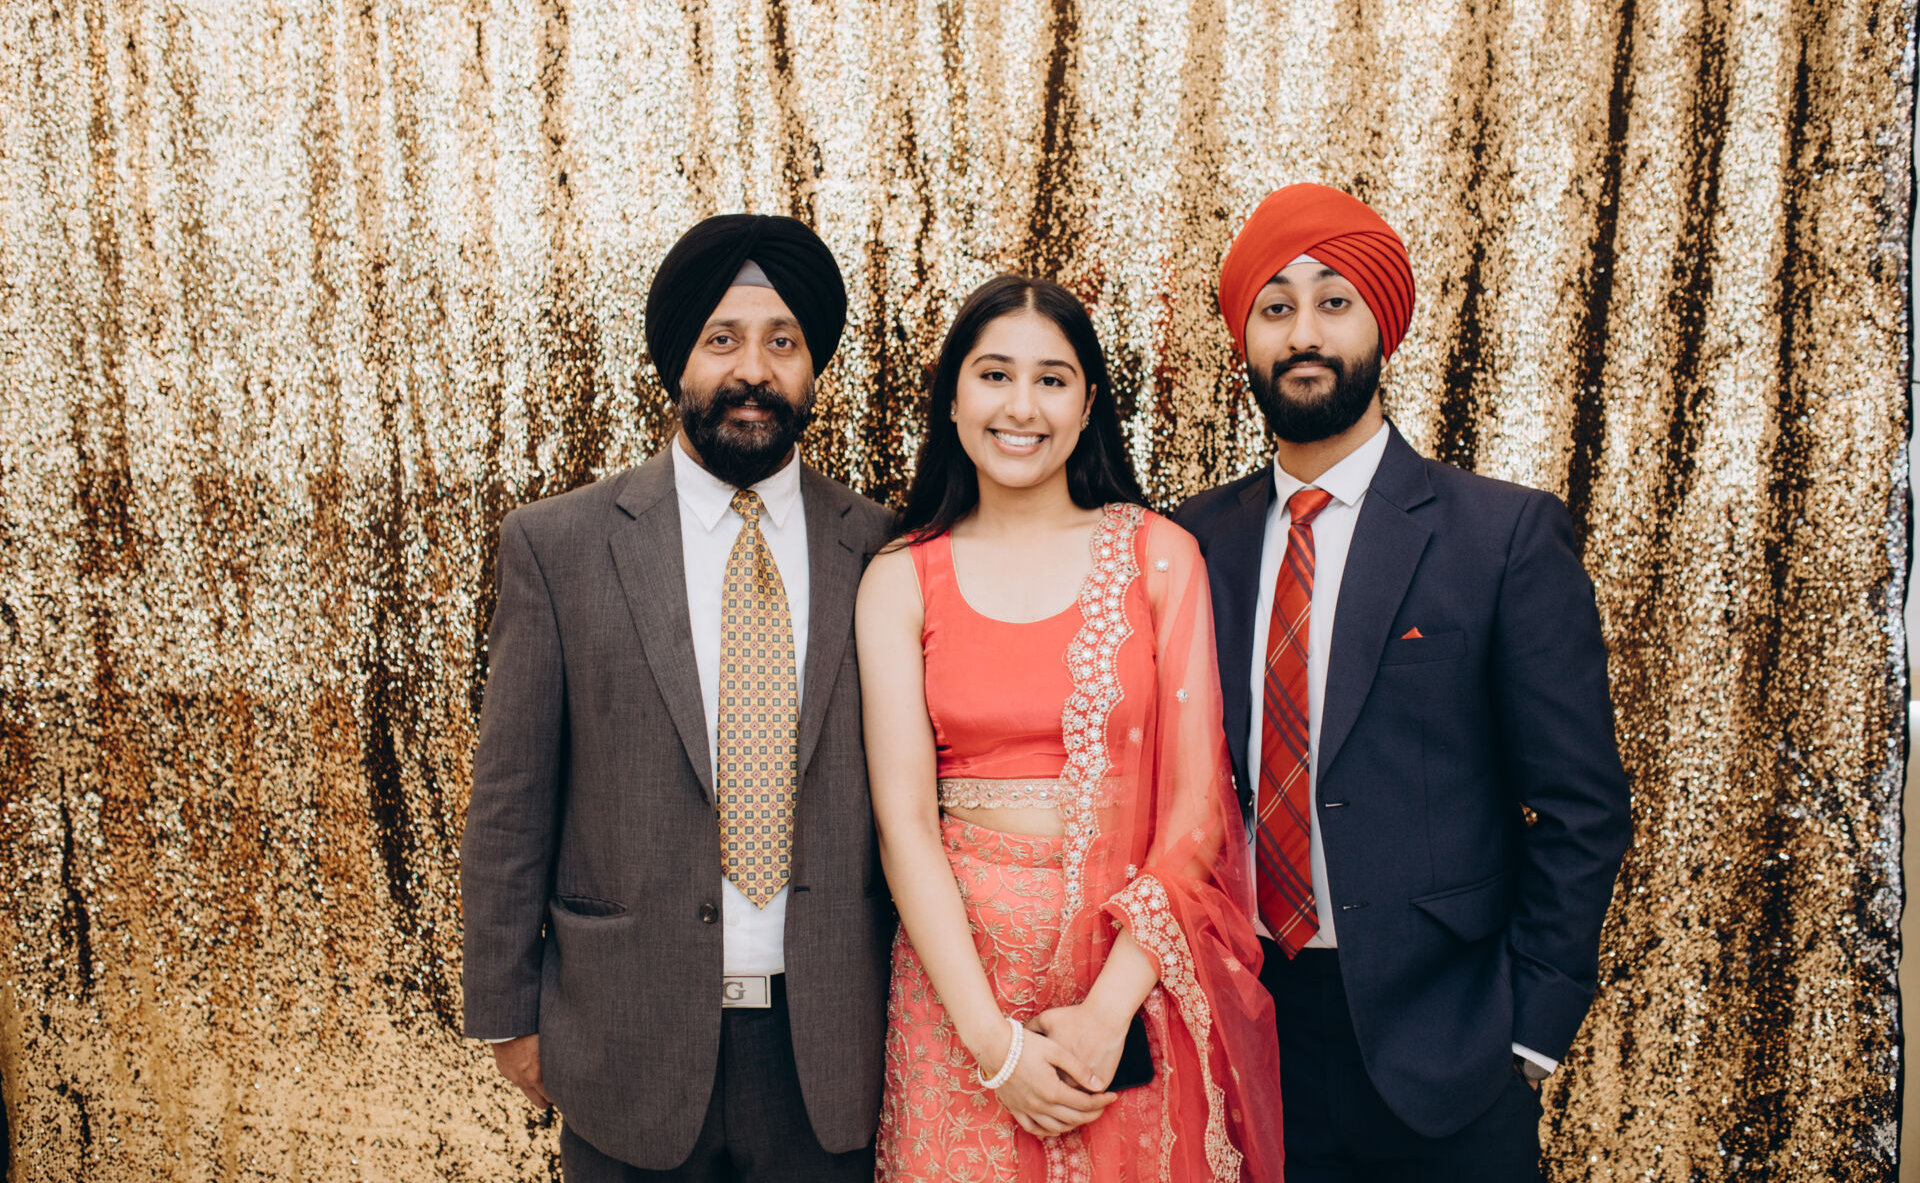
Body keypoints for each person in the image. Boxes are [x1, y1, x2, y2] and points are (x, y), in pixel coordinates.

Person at [1174, 183, 1633, 1181]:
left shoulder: (1501, 536)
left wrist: (1533, 1026)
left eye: (1334, 302)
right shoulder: (1190, 543)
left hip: (1450, 1043)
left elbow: (1582, 805)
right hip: (1247, 1030)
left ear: (1382, 325)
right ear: (1244, 338)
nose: (1304, 333)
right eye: (1276, 307)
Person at [461, 213, 895, 1181]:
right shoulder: (559, 546)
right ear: (678, 360)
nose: (754, 370)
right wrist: (507, 1011)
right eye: (722, 339)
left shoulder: (883, 547)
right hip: (625, 1036)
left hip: (830, 1045)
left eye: (783, 342)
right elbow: (510, 801)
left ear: (813, 367)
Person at [857, 274, 1285, 1183]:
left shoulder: (1158, 557)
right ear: (954, 399)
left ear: (1088, 404)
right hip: (957, 992)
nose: (1022, 407)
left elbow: (1197, 817)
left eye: (1051, 380)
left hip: (1126, 986)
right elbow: (904, 825)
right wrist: (995, 1046)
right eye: (994, 375)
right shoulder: (901, 576)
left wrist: (1104, 1017)